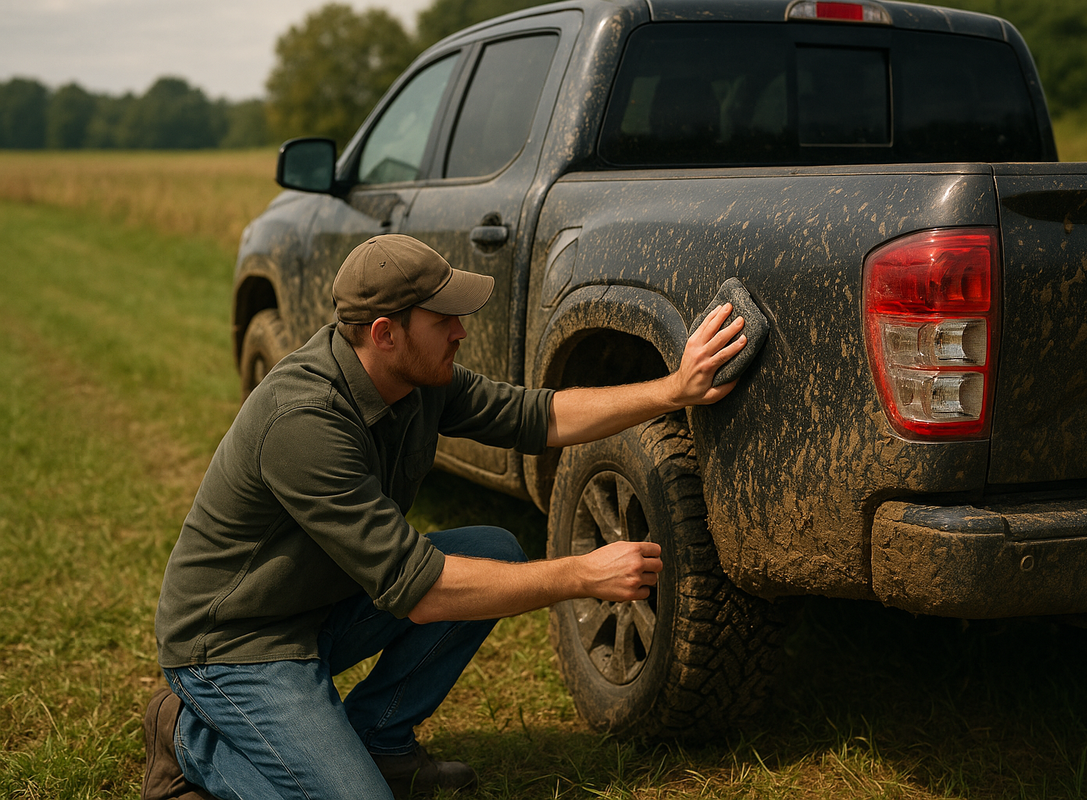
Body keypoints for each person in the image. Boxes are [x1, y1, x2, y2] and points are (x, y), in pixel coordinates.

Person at [144, 234, 746, 800]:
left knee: (493, 551)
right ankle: (187, 739)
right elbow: (424, 592)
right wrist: (580, 574)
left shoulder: (415, 378)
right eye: (443, 320)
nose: (460, 330)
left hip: (321, 603)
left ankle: (380, 741)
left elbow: (537, 417)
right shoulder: (303, 421)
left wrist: (675, 389)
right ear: (385, 333)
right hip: (236, 641)